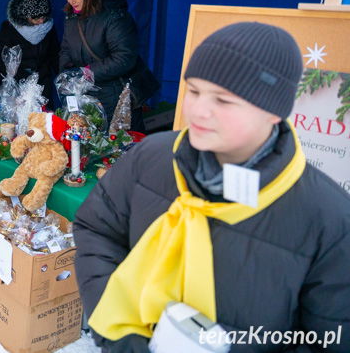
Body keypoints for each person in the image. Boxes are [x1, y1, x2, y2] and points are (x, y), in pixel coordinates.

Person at [73, 22, 350, 353]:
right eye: (194, 91)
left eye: (224, 100)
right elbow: (97, 230)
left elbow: (329, 340)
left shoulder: (329, 218)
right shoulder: (152, 157)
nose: (199, 111)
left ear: (274, 112)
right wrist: (121, 337)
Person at [58, 0, 154, 131]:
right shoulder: (71, 17)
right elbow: (66, 49)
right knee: (88, 138)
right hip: (85, 93)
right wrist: (68, 75)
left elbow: (124, 57)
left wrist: (87, 72)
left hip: (116, 94)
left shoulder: (114, 16)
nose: (71, 0)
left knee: (120, 140)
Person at [0, 0, 60, 105]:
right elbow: (1, 57)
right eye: (36, 18)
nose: (41, 21)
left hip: (41, 83)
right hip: (16, 83)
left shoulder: (49, 28)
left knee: (41, 115)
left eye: (43, 17)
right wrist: (15, 81)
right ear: (25, 16)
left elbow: (54, 54)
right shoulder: (9, 28)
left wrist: (63, 75)